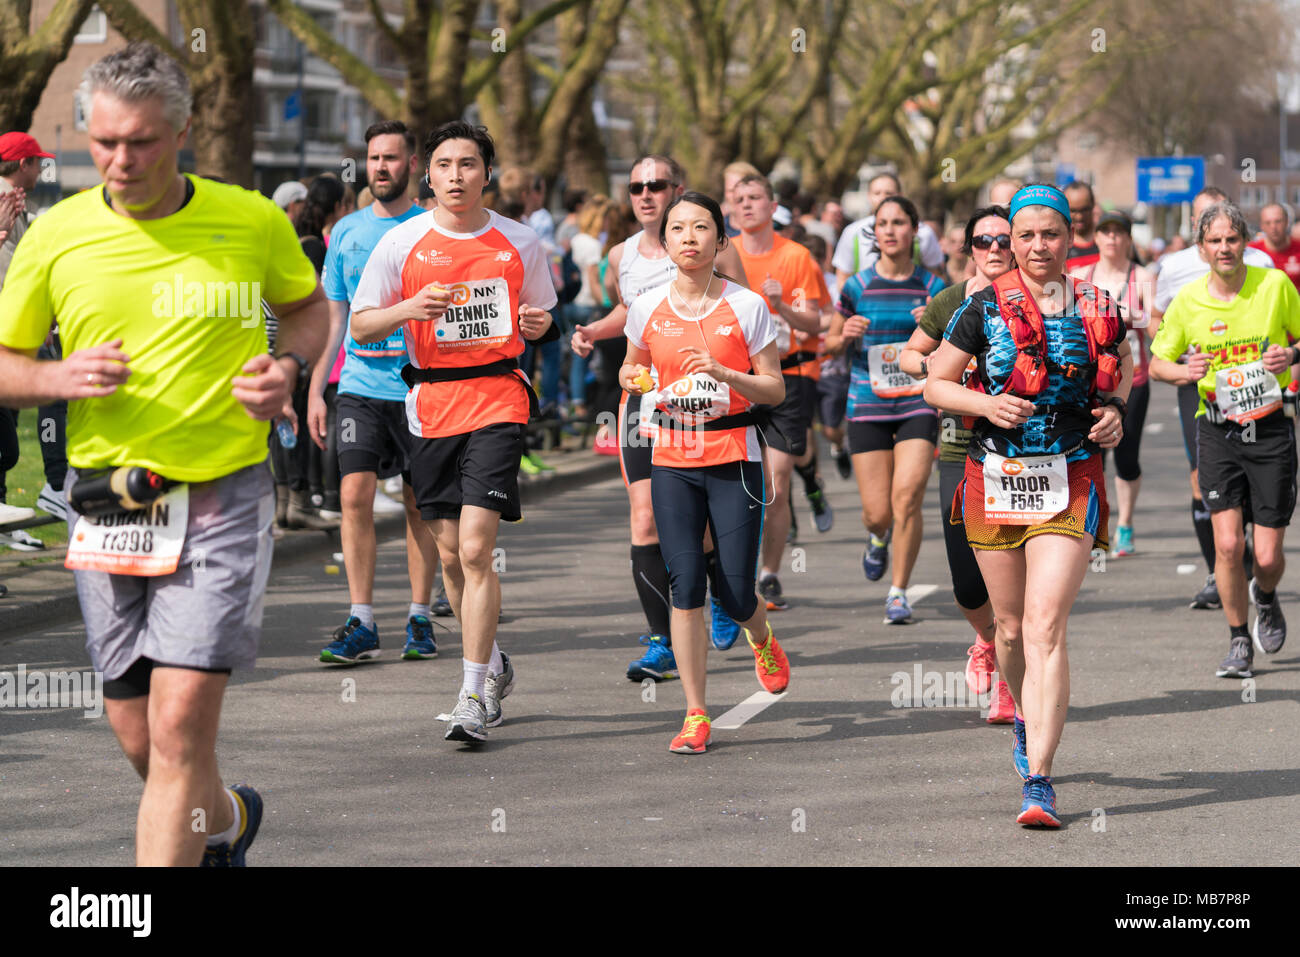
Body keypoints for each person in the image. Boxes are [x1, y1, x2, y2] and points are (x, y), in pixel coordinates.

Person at [0, 42, 328, 863]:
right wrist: (55, 374)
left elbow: (307, 311)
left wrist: (284, 369)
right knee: (141, 734)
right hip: (107, 499)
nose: (120, 160)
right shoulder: (56, 236)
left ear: (180, 131)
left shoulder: (247, 219)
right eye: (105, 142)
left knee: (180, 726)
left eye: (141, 141)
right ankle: (227, 822)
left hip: (222, 491)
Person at [924, 184, 1132, 828]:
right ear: (1009, 242)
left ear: (1072, 237)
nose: (1038, 246)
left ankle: (1039, 780)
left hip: (1070, 476)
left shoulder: (1101, 306)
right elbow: (934, 382)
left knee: (1045, 625)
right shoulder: (979, 309)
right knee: (1010, 629)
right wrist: (985, 404)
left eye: (1051, 233)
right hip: (996, 477)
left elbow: (1118, 372)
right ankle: (1022, 716)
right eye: (1025, 235)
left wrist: (1115, 415)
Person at [350, 120, 558, 743]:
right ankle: (492, 662)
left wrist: (540, 323)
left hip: (498, 398)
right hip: (429, 406)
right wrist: (406, 311)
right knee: (447, 554)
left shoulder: (520, 242)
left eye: (468, 164)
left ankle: (471, 693)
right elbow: (361, 326)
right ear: (428, 174)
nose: (456, 176)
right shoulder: (402, 242)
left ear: (486, 173)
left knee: (474, 549)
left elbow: (541, 317)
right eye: (444, 165)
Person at [620, 191, 790, 754]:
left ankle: (760, 635)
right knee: (685, 584)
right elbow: (633, 366)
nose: (689, 237)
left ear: (720, 241)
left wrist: (723, 372)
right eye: (678, 229)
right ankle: (696, 712)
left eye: (701, 228)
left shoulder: (746, 306)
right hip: (672, 456)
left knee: (738, 592)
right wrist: (633, 381)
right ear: (664, 241)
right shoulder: (646, 306)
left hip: (734, 457)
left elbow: (774, 386)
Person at [570, 155, 749, 679]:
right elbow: (632, 315)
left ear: (677, 188)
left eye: (656, 185)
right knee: (645, 516)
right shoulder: (621, 252)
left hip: (706, 406)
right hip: (640, 403)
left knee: (704, 525)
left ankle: (720, 592)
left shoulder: (717, 246)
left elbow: (743, 312)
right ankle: (661, 641)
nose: (645, 194)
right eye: (635, 187)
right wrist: (591, 333)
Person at [306, 120, 451, 668]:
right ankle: (362, 619)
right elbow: (334, 317)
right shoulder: (345, 233)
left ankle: (418, 614)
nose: (382, 167)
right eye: (374, 159)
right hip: (361, 386)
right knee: (353, 497)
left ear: (413, 165)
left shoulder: (432, 229)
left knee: (419, 504)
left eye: (392, 157)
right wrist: (318, 390)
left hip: (419, 385)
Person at [1150, 200, 1300, 678]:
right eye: (1214, 241)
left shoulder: (1274, 285)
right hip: (1217, 428)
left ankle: (1267, 595)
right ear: (1201, 249)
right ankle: (1239, 640)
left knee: (1268, 554)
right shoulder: (1189, 301)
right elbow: (1157, 362)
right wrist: (1183, 371)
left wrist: (1289, 355)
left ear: (1245, 242)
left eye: (1231, 239)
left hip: (1271, 426)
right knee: (1230, 546)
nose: (1224, 248)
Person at [899, 204, 1015, 722]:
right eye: (983, 241)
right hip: (959, 448)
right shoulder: (950, 301)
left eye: (1003, 241)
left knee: (1019, 581)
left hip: (1023, 453)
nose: (994, 249)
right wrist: (939, 367)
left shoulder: (1035, 300)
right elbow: (909, 355)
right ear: (969, 249)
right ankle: (986, 639)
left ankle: (1012, 685)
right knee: (968, 584)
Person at [1152, 187, 1274, 609]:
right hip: (1202, 391)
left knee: (1260, 489)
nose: (1221, 241)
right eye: (1209, 226)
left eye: (1228, 230)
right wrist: (1184, 362)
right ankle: (1218, 568)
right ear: (1197, 233)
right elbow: (1156, 323)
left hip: (1259, 395)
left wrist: (1283, 358)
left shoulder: (1262, 266)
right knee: (1201, 474)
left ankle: (1258, 566)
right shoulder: (1176, 268)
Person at [827, 195, 944, 624]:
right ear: (873, 233)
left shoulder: (932, 289)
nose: (890, 230)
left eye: (899, 223)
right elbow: (831, 343)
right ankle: (877, 539)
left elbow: (954, 346)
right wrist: (846, 332)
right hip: (868, 403)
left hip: (917, 401)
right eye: (883, 223)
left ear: (915, 232)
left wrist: (935, 326)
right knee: (878, 512)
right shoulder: (856, 286)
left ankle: (898, 591)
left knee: (908, 497)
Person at [732, 172, 833, 610]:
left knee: (774, 481)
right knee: (736, 482)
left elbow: (817, 324)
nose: (746, 205)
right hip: (735, 378)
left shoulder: (795, 257)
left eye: (755, 198)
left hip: (790, 377)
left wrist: (781, 307)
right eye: (739, 199)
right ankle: (734, 573)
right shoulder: (722, 254)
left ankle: (769, 574)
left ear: (773, 207)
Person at [1069, 209, 1155, 557]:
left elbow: (1152, 322)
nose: (1112, 239)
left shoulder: (1142, 275)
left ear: (1128, 238)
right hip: (1090, 381)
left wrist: (1121, 315)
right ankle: (1097, 527)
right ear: (1097, 237)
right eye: (1106, 232)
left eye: (1119, 233)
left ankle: (1126, 523)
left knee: (1126, 455)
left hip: (1132, 378)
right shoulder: (1079, 274)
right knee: (1093, 454)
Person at [0, 131, 68, 540]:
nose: (42, 168)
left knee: (9, 421)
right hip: (10, 330)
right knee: (48, 393)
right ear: (22, 164)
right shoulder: (5, 202)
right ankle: (55, 485)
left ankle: (8, 516)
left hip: (18, 325)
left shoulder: (17, 205)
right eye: (38, 161)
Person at [832, 172, 944, 286]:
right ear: (868, 196)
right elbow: (842, 279)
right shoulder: (853, 232)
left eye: (888, 193)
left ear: (900, 195)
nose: (882, 197)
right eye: (877, 193)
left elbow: (935, 277)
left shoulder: (924, 233)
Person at [1248, 202, 1300, 290]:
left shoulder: (1298, 248)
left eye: (1278, 221)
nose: (1273, 227)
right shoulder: (1251, 252)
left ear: (1287, 222)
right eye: (1268, 223)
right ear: (1262, 225)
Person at [1063, 181, 1100, 268]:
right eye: (1073, 211)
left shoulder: (1109, 240)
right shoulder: (1059, 245)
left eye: (1084, 210)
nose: (1079, 217)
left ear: (1093, 205)